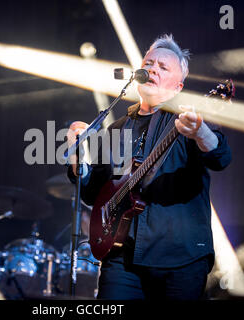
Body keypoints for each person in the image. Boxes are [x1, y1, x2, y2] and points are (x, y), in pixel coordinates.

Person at [66, 34, 231, 300]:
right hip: (121, 256)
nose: (152, 69)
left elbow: (221, 157)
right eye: (149, 63)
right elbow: (92, 193)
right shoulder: (117, 128)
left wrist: (200, 132)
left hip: (180, 257)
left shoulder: (190, 118)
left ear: (177, 86)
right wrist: (77, 159)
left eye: (163, 67)